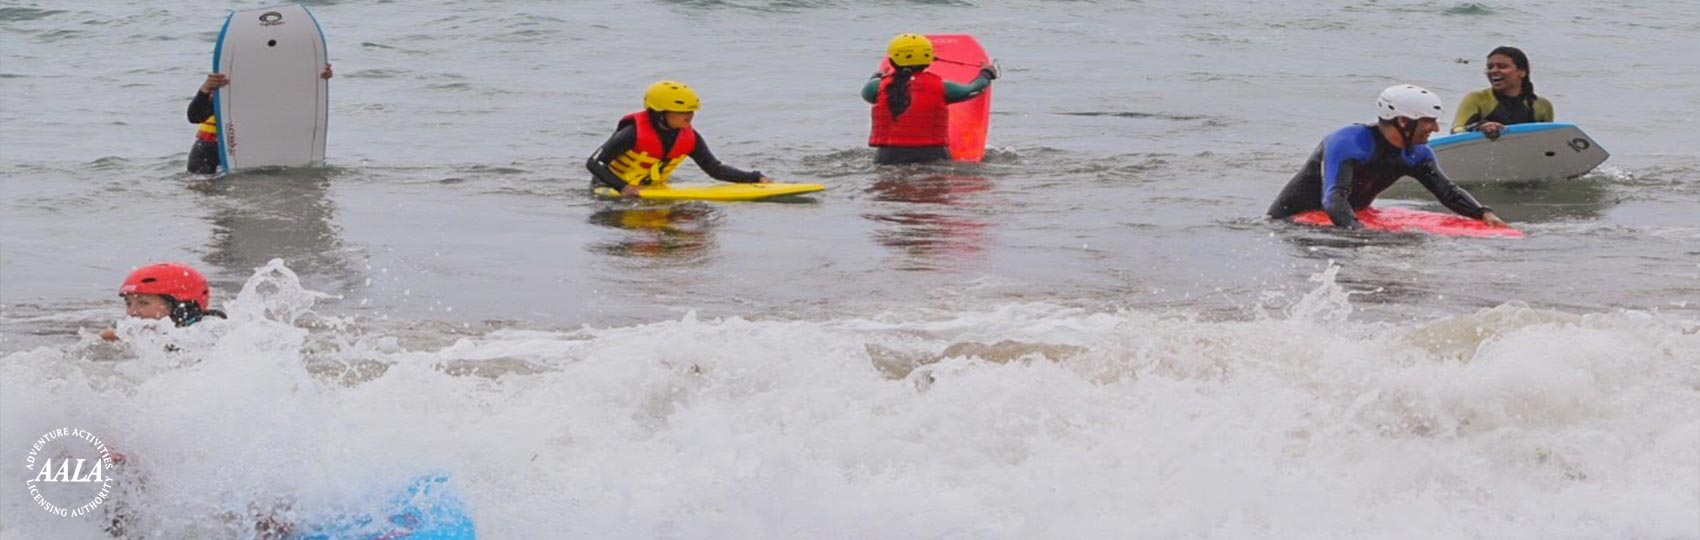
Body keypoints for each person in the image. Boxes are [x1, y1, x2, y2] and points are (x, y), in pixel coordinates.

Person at [1267, 85, 1508, 229]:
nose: (1435, 128)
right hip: (1294, 222)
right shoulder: (1349, 142)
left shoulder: (1417, 153)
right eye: (1428, 121)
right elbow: (1334, 198)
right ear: (1403, 121)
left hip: (1347, 219)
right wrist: (1359, 235)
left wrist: (1483, 214)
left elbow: (1447, 192)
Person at [586, 80, 774, 197]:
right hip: (607, 191)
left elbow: (714, 169)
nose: (689, 115)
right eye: (682, 111)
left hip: (649, 190)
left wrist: (754, 177)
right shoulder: (632, 133)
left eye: (691, 111)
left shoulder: (690, 137)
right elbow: (594, 163)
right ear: (660, 113)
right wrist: (622, 187)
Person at [861, 33, 998, 165]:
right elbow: (973, 90)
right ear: (930, 60)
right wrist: (986, 74)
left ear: (892, 60)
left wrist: (877, 75)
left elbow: (867, 93)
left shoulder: (876, 87)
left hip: (888, 157)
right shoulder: (943, 87)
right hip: (933, 155)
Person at [186, 64, 333, 174]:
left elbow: (305, 109)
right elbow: (194, 117)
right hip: (209, 153)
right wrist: (205, 89)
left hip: (255, 154)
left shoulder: (283, 86)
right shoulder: (229, 84)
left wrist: (317, 77)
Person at [99, 263, 227, 341]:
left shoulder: (209, 334)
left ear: (181, 307)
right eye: (129, 303)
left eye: (144, 303)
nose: (132, 312)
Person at [1450, 46, 1553, 138]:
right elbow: (1456, 131)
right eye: (1490, 67)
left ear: (1522, 72)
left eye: (1502, 66)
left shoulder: (1542, 106)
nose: (1493, 71)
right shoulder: (1477, 99)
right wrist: (1479, 126)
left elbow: (1549, 140)